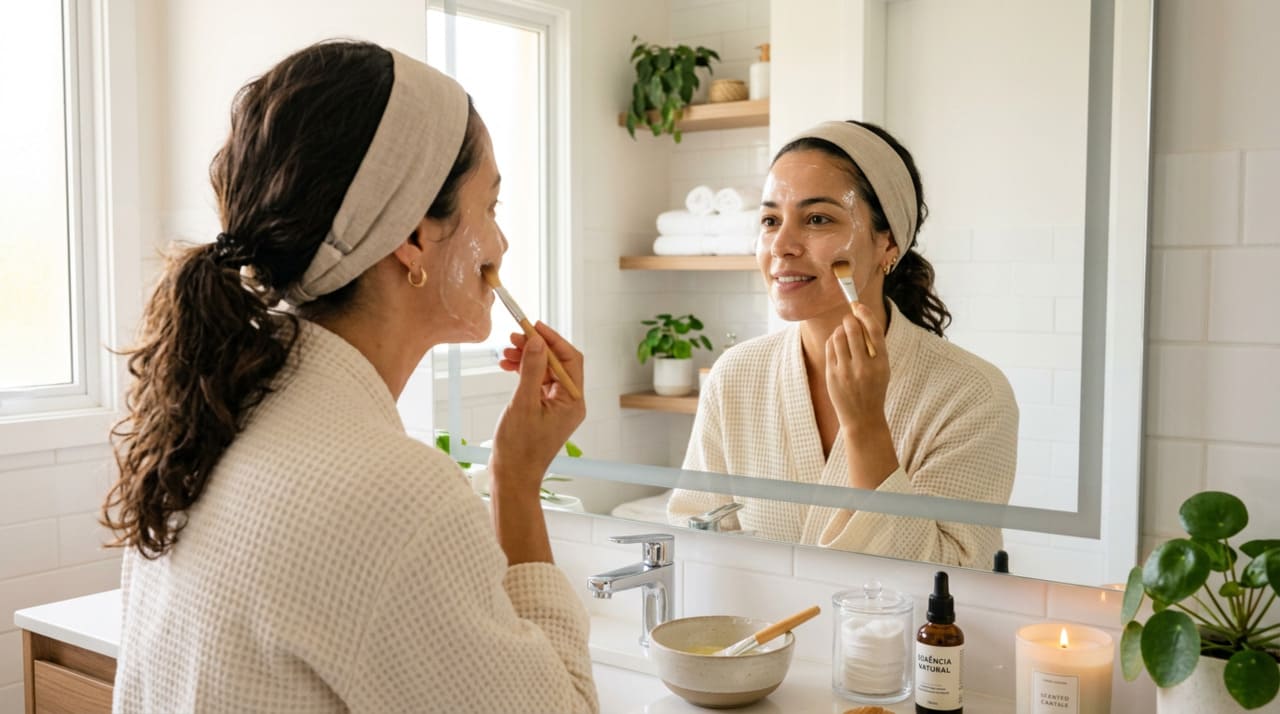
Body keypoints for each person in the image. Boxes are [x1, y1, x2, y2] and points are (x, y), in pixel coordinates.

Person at [102, 41, 596, 713]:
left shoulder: (209, 426)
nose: (501, 245)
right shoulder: (397, 495)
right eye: (492, 208)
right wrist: (516, 482)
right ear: (415, 236)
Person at [667, 120, 1018, 569]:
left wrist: (867, 424)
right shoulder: (736, 373)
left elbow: (954, 579)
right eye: (770, 220)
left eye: (817, 219)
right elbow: (696, 537)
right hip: (759, 638)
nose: (782, 245)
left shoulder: (971, 393)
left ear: (887, 242)